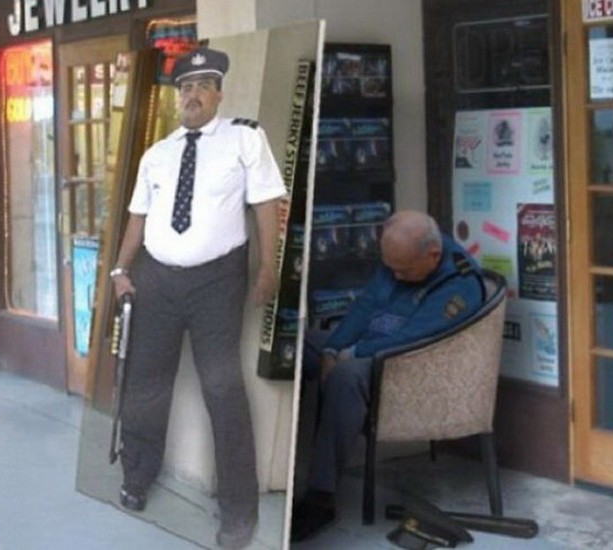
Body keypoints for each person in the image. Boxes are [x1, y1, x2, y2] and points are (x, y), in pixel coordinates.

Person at [109, 46, 286, 549]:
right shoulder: (157, 153)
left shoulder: (244, 139)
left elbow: (266, 204)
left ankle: (239, 512)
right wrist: (121, 269)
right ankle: (137, 476)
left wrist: (269, 268)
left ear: (218, 94)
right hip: (156, 281)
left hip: (217, 282)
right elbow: (138, 217)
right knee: (146, 383)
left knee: (223, 391)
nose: (192, 95)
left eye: (203, 86)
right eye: (185, 87)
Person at [290, 210, 486, 542]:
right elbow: (366, 305)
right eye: (390, 267)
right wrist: (332, 349)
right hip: (368, 345)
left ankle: (321, 497)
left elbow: (412, 340)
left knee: (346, 376)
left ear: (432, 254)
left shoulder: (460, 285)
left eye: (402, 271)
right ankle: (280, 470)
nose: (394, 275)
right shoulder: (402, 256)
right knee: (296, 346)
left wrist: (349, 355)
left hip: (403, 365)